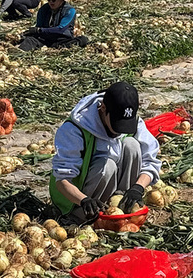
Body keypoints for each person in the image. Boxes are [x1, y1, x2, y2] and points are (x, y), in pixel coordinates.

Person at [49, 82, 162, 225]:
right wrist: (83, 200)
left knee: (132, 145)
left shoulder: (132, 121)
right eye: (117, 122)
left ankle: (122, 205)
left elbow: (150, 161)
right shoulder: (75, 129)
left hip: (111, 189)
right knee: (107, 165)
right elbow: (62, 181)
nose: (120, 130)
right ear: (103, 108)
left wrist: (138, 187)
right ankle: (84, 216)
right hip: (78, 200)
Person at [17, 0, 89, 51]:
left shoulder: (70, 11)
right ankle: (19, 51)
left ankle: (57, 48)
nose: (51, 2)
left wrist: (39, 30)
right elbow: (39, 26)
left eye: (54, 0)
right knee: (30, 40)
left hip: (62, 39)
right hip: (45, 39)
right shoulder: (43, 9)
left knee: (83, 39)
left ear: (61, 0)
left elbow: (61, 29)